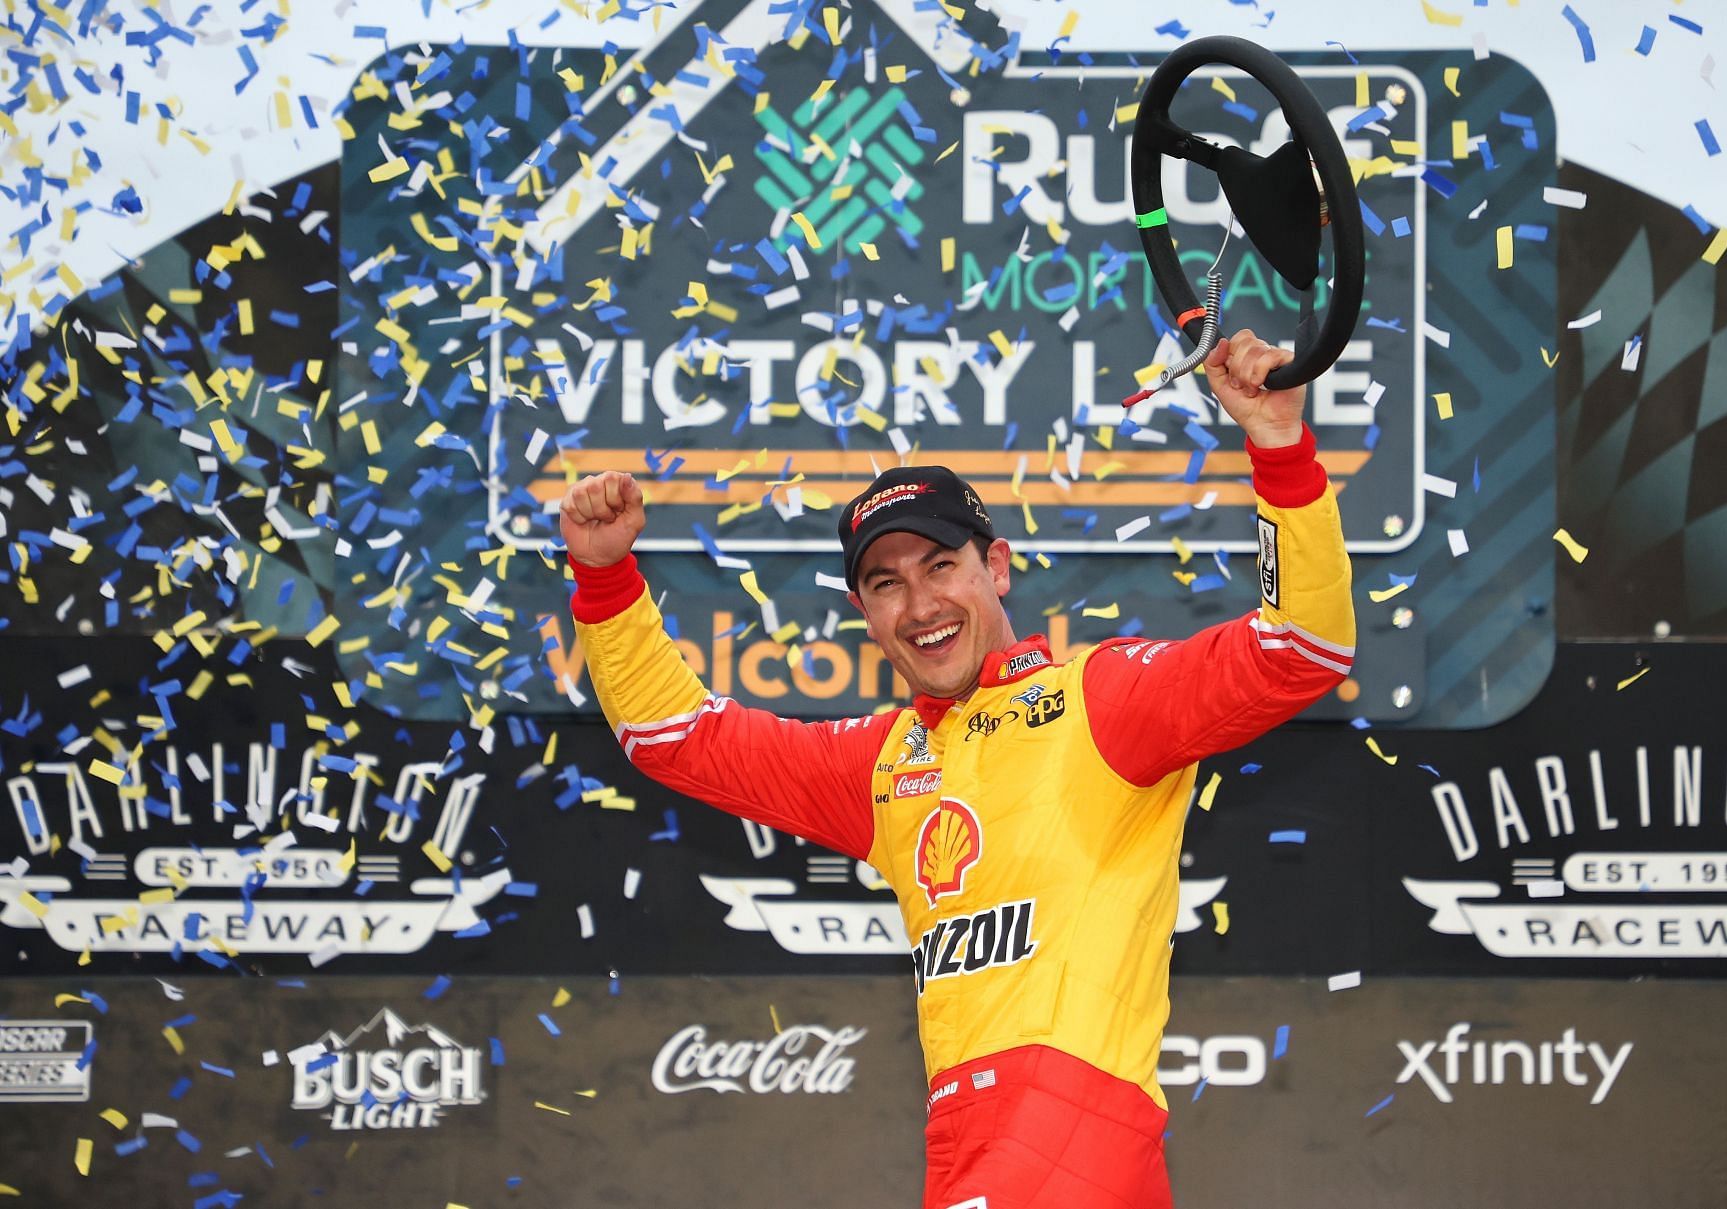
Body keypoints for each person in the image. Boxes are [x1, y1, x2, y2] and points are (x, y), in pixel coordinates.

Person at [559, 331, 1354, 1209]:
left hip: (1070, 1132)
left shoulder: (1101, 702)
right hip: (966, 1142)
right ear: (863, 611)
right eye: (887, 583)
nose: (922, 603)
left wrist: (1280, 448)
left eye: (942, 565)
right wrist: (605, 580)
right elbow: (677, 738)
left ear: (998, 568)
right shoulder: (884, 762)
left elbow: (1302, 650)